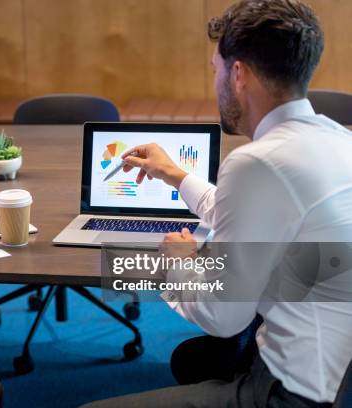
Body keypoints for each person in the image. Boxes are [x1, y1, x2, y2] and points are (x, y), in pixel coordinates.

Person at [84, 0, 352, 406]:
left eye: (216, 70)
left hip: (290, 392)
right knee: (190, 361)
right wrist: (174, 174)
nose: (216, 83)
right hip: (334, 368)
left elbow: (222, 318)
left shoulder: (258, 162)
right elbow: (254, 212)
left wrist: (180, 261)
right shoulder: (335, 139)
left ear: (239, 73)